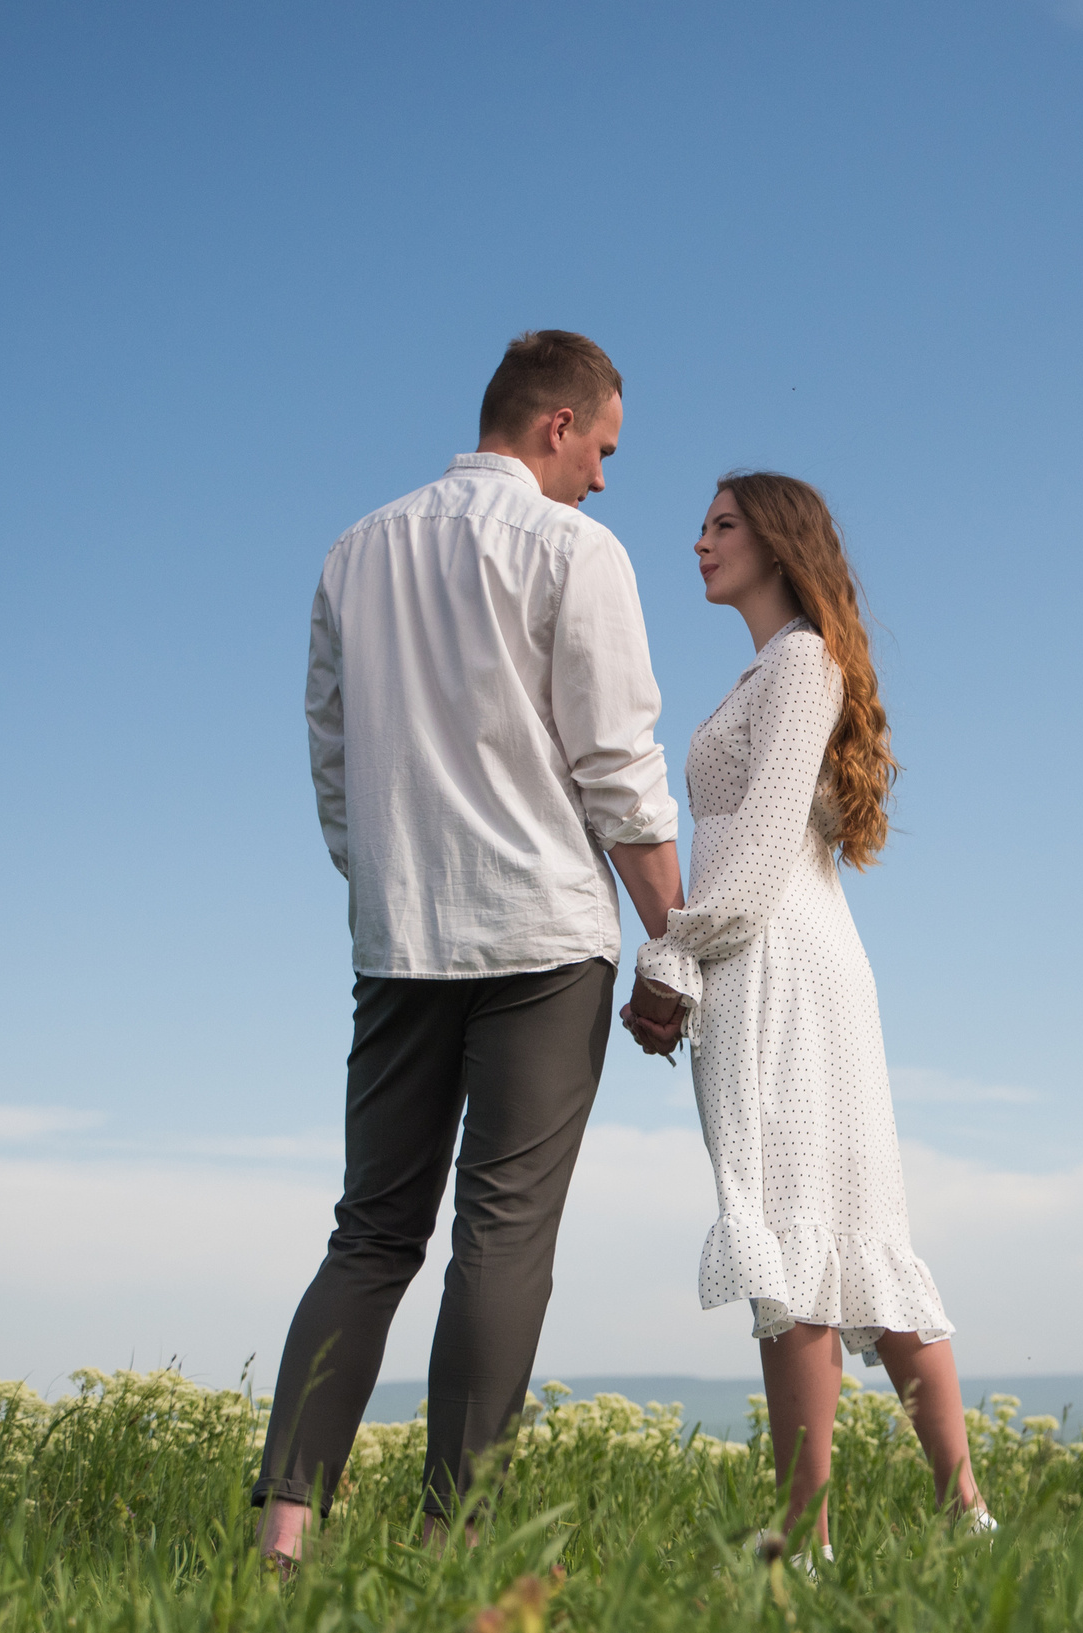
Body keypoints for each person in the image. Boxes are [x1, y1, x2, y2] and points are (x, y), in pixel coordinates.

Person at [255, 331, 687, 1565]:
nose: (606, 477)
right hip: (543, 940)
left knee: (371, 1232)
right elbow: (618, 770)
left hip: (399, 941)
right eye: (603, 447)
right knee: (502, 1235)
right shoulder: (575, 550)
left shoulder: (356, 550)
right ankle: (451, 1546)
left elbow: (332, 760)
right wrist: (679, 941)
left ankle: (284, 1537)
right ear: (556, 426)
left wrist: (386, 884)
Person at [623, 473, 991, 1559]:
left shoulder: (797, 665)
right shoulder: (777, 669)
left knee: (791, 1224)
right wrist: (685, 961)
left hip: (772, 960)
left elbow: (759, 846)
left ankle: (806, 1538)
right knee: (844, 1230)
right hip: (781, 956)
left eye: (721, 525)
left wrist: (667, 957)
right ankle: (962, 1518)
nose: (696, 542)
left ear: (779, 544)